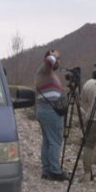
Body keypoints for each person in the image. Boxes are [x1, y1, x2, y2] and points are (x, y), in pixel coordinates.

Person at [35, 50, 68, 181]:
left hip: (45, 110)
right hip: (49, 111)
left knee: (48, 141)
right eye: (57, 59)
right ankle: (55, 170)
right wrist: (54, 55)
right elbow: (49, 61)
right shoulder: (44, 69)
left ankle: (47, 169)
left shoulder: (48, 73)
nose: (58, 61)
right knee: (55, 141)